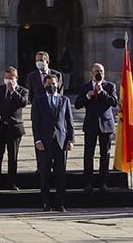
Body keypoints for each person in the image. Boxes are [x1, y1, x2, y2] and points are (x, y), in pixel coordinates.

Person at [31, 72, 74, 212]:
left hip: (61, 142)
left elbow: (69, 122)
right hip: (44, 142)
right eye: (49, 84)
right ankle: (46, 202)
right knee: (45, 173)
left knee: (61, 173)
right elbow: (35, 123)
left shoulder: (64, 100)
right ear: (44, 85)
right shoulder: (38, 101)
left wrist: (70, 140)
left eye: (54, 84)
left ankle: (60, 202)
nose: (52, 86)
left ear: (58, 85)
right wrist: (37, 140)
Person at [74, 62, 118, 192]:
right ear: (91, 73)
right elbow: (77, 104)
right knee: (89, 154)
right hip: (91, 124)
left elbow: (114, 102)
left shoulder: (110, 86)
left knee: (105, 155)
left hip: (106, 124)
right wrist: (88, 95)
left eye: (102, 71)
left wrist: (102, 92)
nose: (99, 74)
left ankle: (103, 183)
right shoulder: (85, 87)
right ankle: (88, 183)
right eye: (97, 71)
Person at [0, 67, 29, 190]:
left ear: (16, 78)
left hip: (14, 128)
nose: (8, 81)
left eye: (10, 78)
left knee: (13, 157)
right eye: (6, 78)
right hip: (0, 128)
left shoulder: (23, 90)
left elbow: (23, 103)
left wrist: (13, 92)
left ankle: (11, 182)